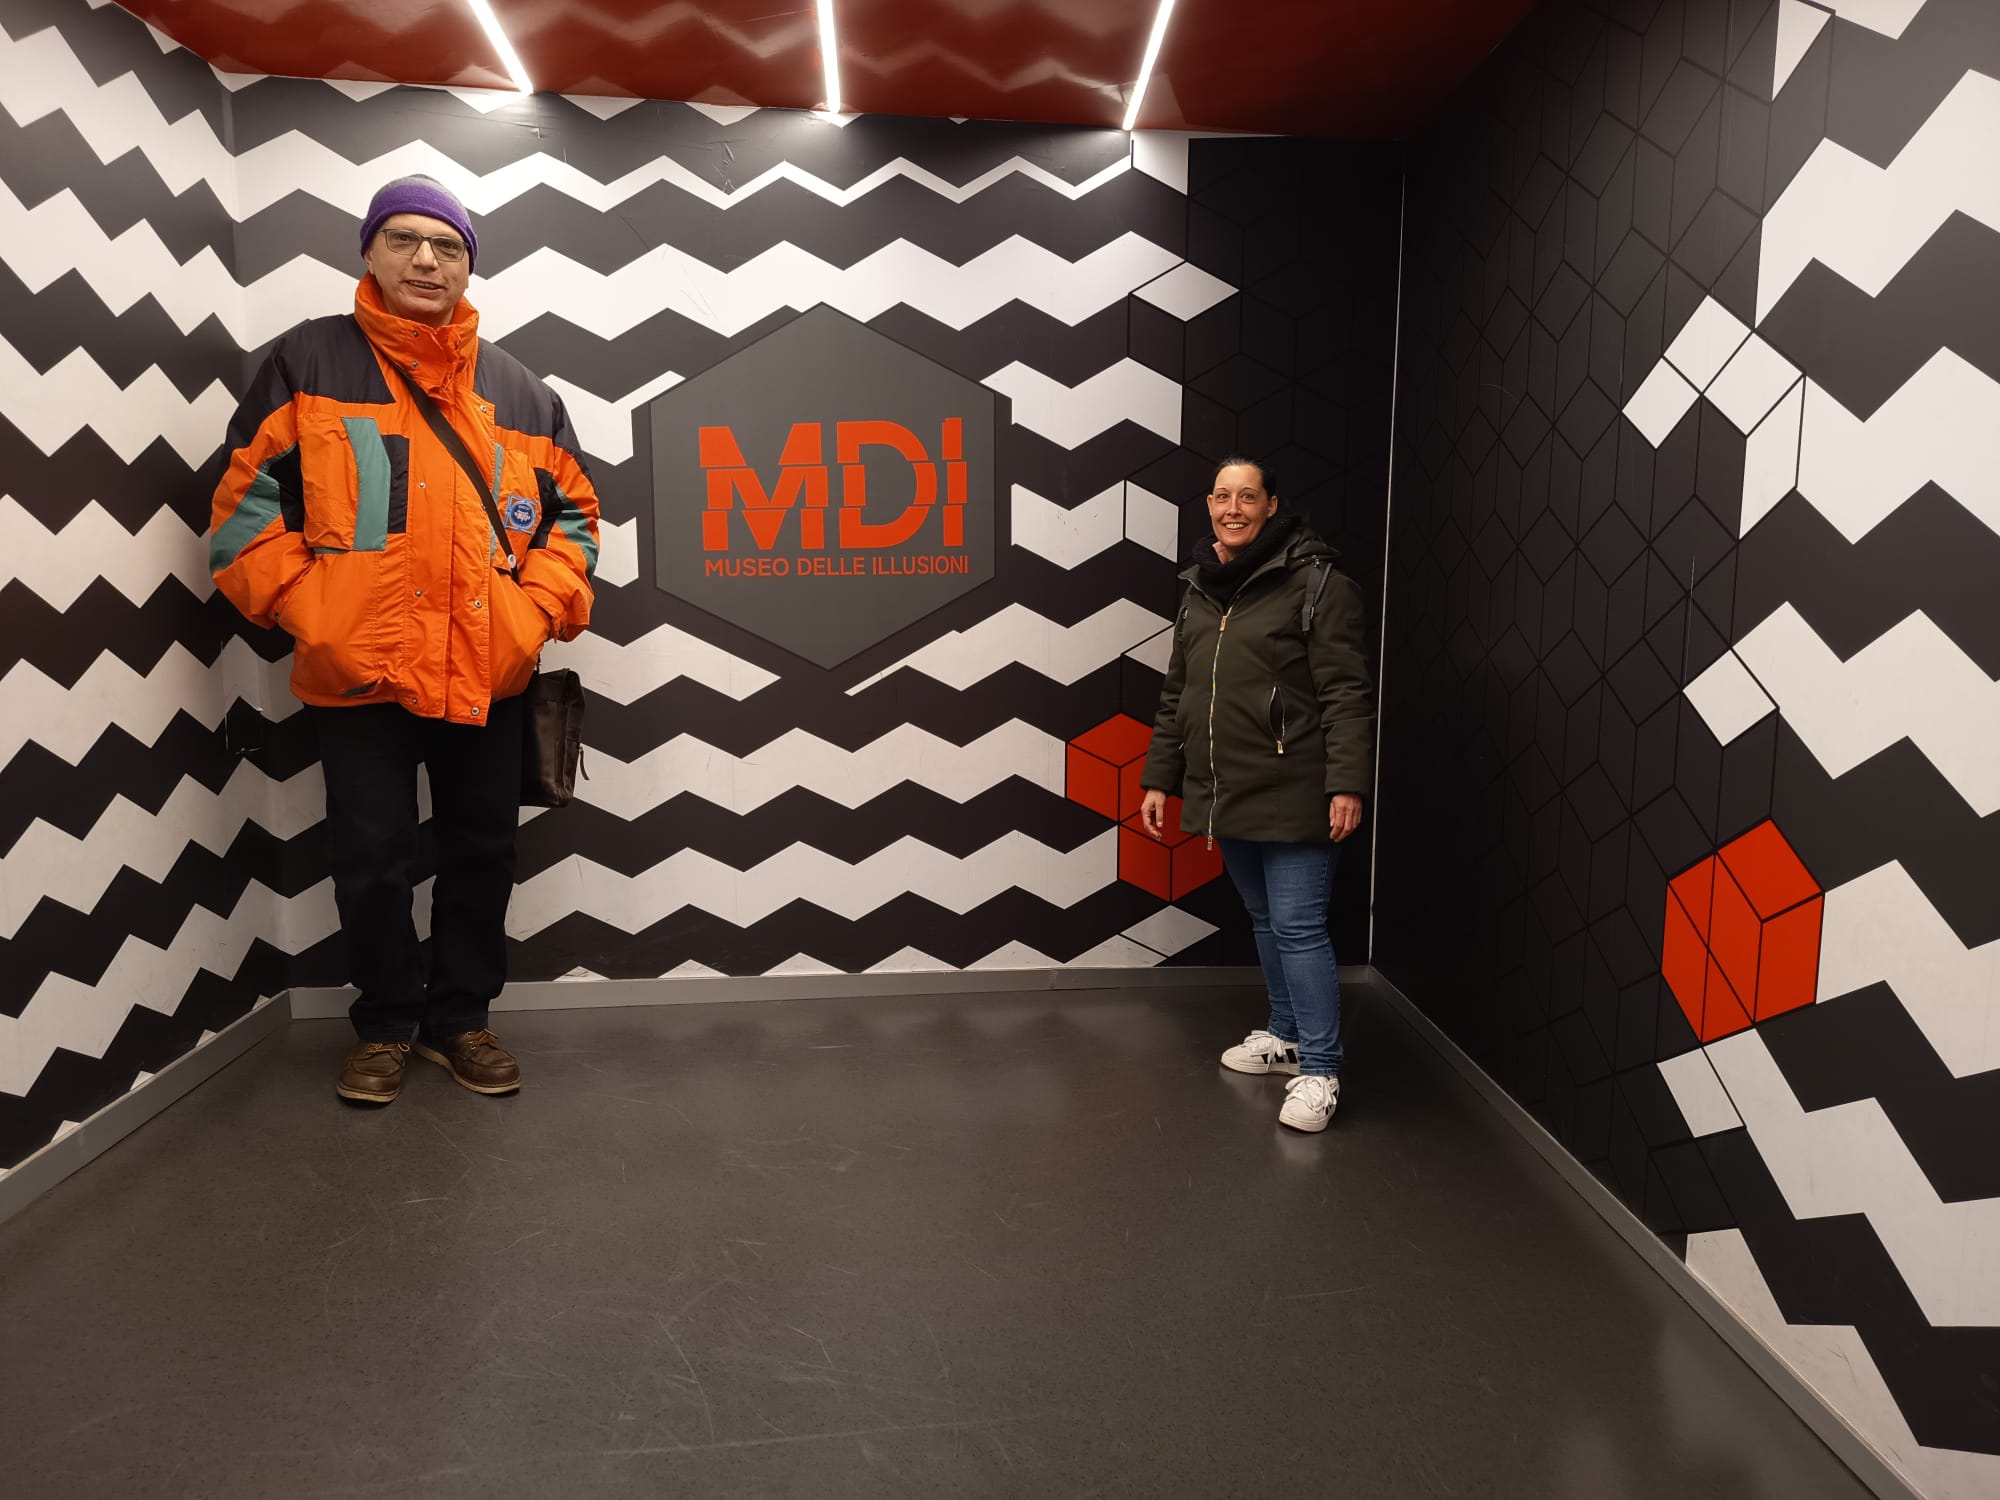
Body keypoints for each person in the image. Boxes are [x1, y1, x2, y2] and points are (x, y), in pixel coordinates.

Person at [208, 175, 600, 1105]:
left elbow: (575, 525)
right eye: (404, 240)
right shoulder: (307, 362)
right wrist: (320, 613)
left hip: (487, 673)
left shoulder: (522, 391)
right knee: (372, 860)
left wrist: (528, 618)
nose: (427, 260)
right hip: (360, 675)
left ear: (469, 265)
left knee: (482, 853)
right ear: (370, 252)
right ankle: (385, 1023)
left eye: (447, 246)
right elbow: (243, 518)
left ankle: (460, 1021)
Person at [1139, 457, 1374, 1132]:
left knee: (1298, 926)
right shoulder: (1199, 589)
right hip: (1227, 788)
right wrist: (1160, 776)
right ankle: (1286, 1037)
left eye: (1247, 496)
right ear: (1209, 506)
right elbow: (1178, 695)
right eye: (1222, 496)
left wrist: (1347, 783)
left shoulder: (1317, 583)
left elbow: (1345, 693)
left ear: (1272, 505)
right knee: (1267, 919)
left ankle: (1321, 1070)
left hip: (1297, 787)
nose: (1232, 508)